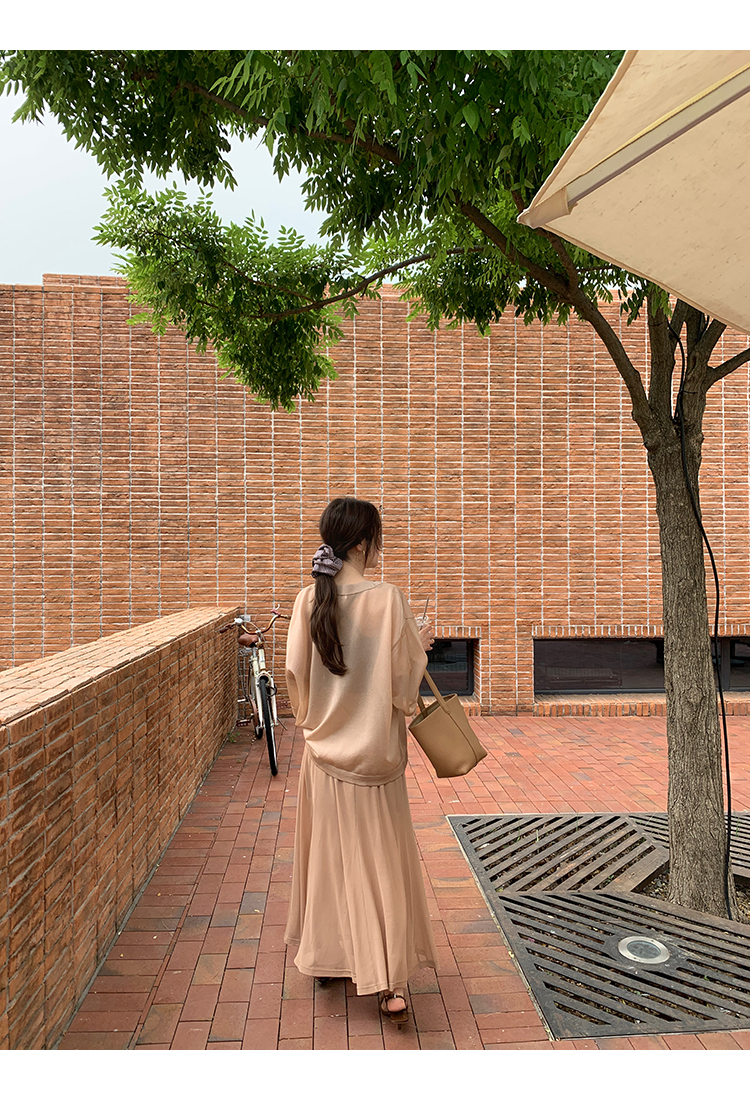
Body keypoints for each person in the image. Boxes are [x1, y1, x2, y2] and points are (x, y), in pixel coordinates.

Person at [284, 496, 437, 1026]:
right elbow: (401, 689)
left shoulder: (308, 599)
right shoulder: (387, 599)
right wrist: (420, 644)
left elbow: (297, 680)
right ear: (363, 543)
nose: (379, 548)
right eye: (377, 539)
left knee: (329, 860)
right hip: (375, 759)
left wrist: (320, 722)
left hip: (324, 756)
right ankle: (389, 981)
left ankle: (328, 957)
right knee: (381, 865)